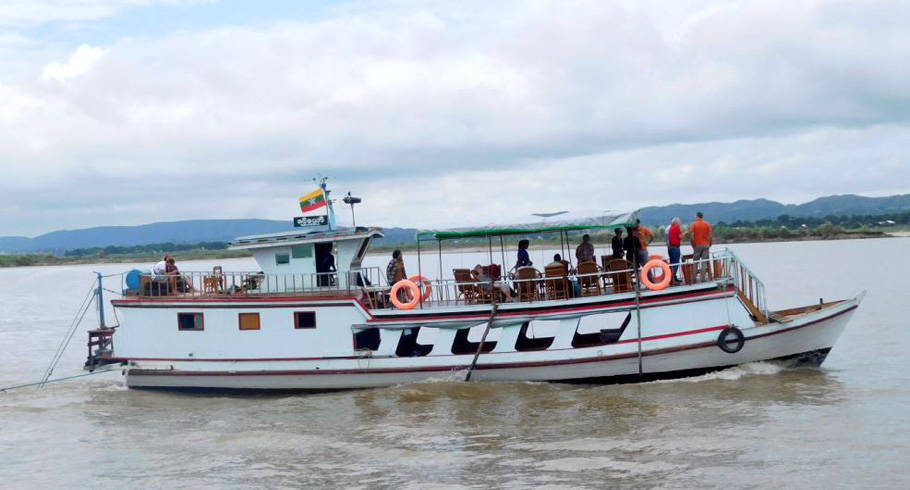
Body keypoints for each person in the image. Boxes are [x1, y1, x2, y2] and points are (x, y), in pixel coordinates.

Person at [690, 211, 713, 281]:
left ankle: (694, 279)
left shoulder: (694, 224)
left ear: (697, 216)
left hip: (697, 245)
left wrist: (693, 244)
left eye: (695, 216)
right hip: (706, 245)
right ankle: (702, 279)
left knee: (695, 262)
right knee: (704, 262)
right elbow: (710, 235)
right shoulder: (707, 224)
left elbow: (692, 236)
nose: (694, 217)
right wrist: (710, 243)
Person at [667, 217, 682, 284]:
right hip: (675, 247)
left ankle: (673, 278)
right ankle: (672, 279)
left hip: (670, 247)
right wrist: (685, 233)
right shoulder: (676, 227)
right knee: (676, 263)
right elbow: (680, 237)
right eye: (679, 222)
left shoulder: (670, 228)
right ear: (676, 222)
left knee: (672, 263)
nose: (680, 223)